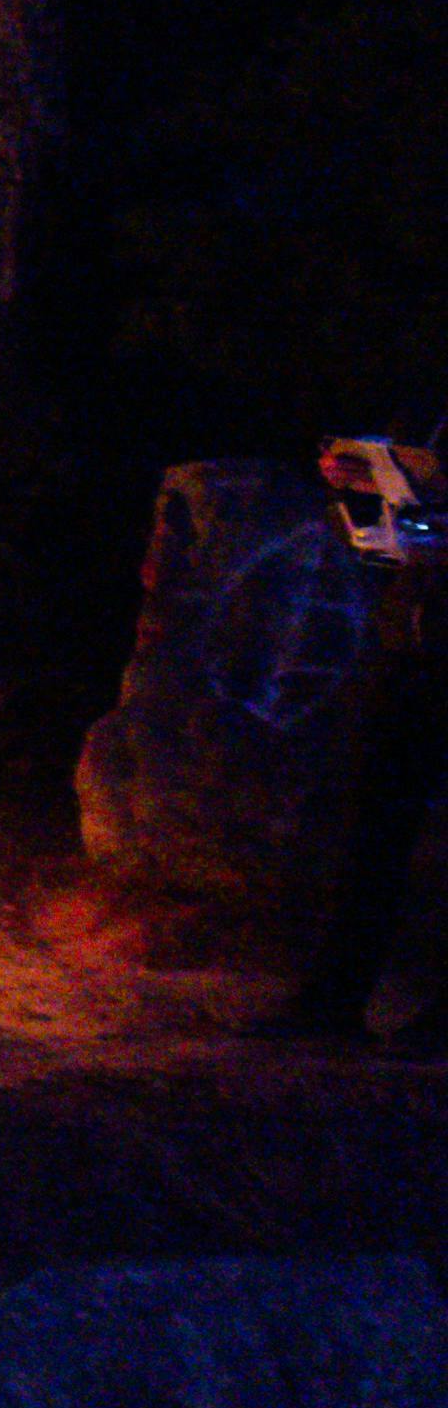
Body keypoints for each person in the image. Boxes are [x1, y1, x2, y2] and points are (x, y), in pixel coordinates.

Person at [263, 441, 448, 1046]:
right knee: (373, 827)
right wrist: (375, 485)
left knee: (388, 827)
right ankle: (332, 1002)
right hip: (417, 643)